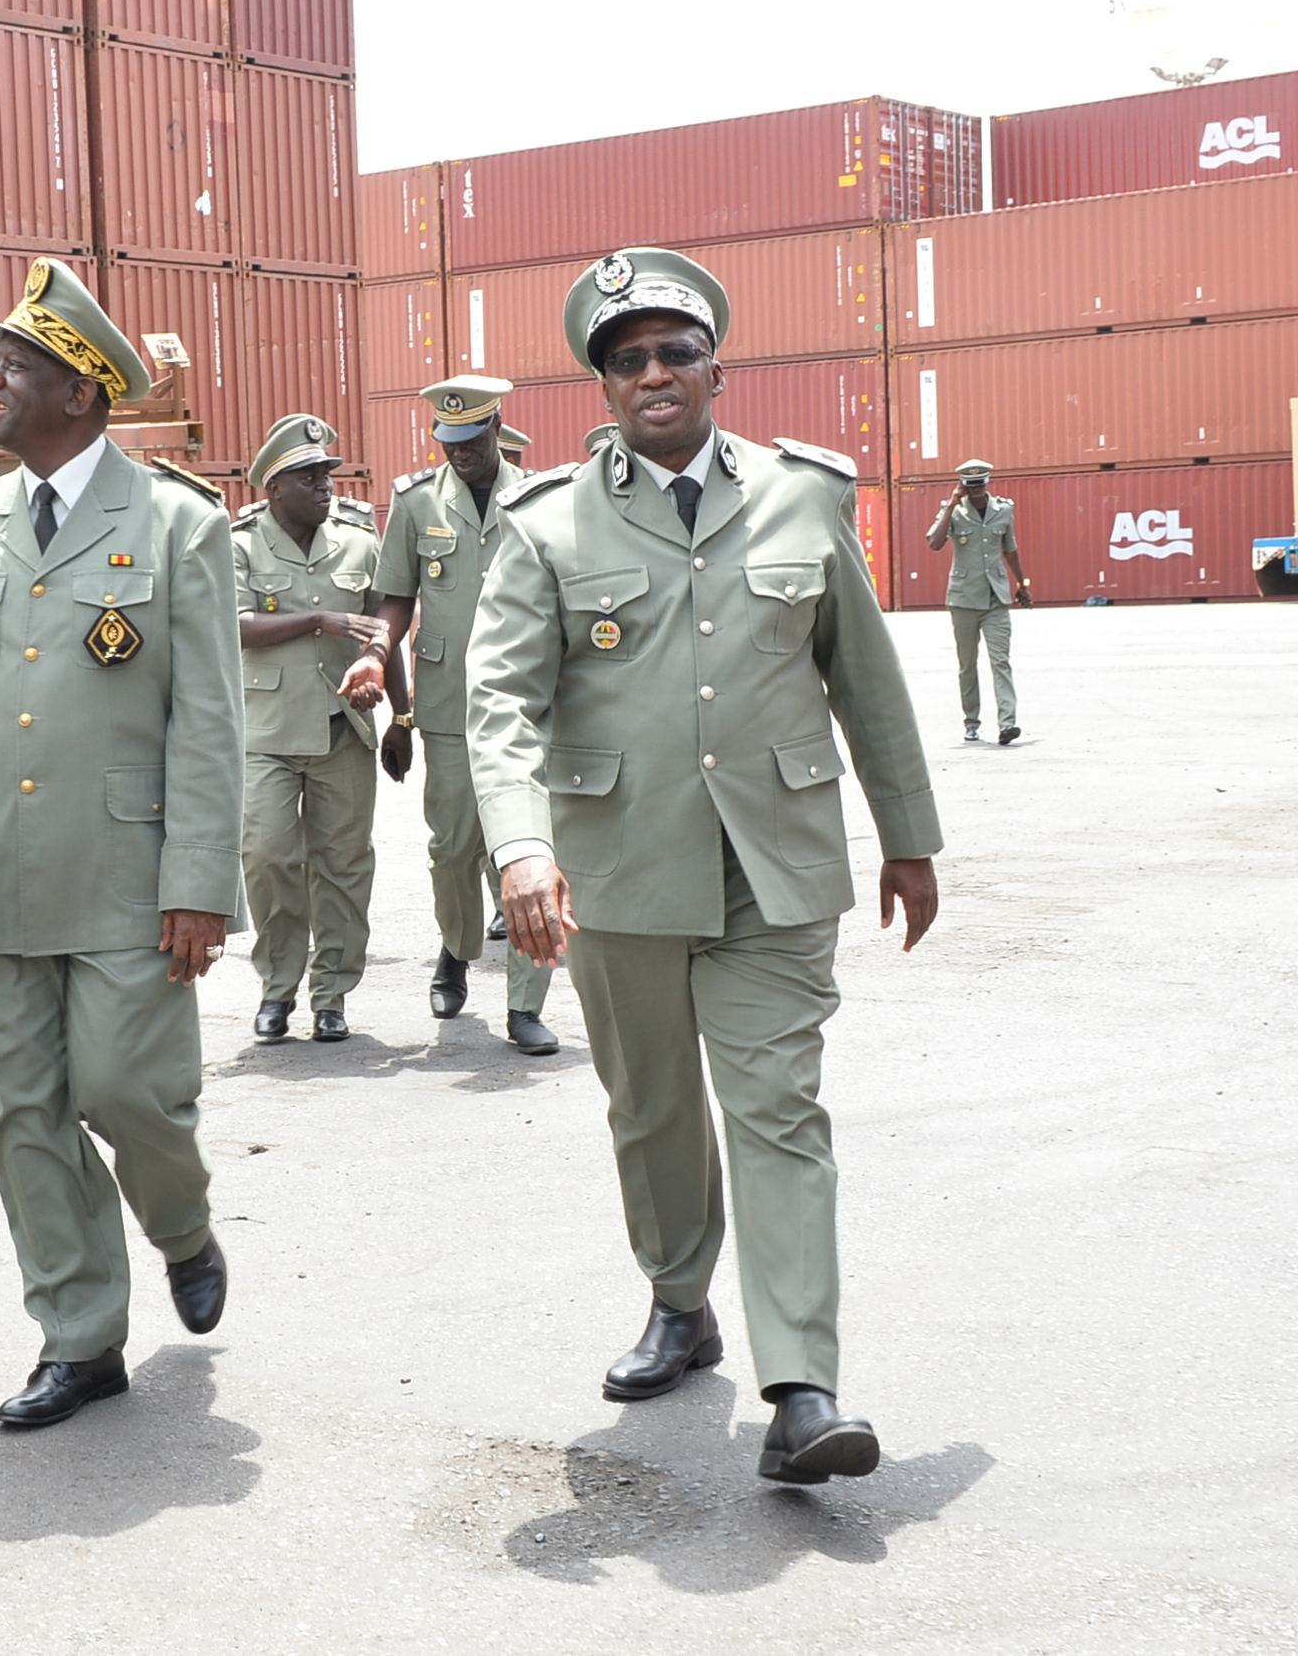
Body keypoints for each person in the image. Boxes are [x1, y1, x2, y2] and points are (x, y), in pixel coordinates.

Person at [467, 247, 943, 1485]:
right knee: (654, 1106)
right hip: (617, 866)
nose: (656, 372)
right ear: (604, 387)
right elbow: (501, 704)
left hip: (775, 865)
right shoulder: (546, 524)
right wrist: (521, 847)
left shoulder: (803, 495)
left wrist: (910, 836)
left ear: (715, 363)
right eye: (628, 359)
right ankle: (680, 1300)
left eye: (676, 350)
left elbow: (864, 679)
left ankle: (803, 1386)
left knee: (779, 1108)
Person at [0, 258, 243, 1428]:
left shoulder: (178, 524)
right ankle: (80, 1336)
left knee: (132, 1092)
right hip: (1, 871)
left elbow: (209, 722)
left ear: (79, 392)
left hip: (134, 875)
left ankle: (181, 1225)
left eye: (14, 366)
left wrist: (200, 881)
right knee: (26, 1114)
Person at [374, 376, 560, 1055]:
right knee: (452, 851)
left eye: (470, 440)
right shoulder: (418, 502)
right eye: (446, 443)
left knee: (531, 849)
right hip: (448, 706)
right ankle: (456, 948)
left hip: (529, 704)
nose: (459, 454)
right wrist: (380, 666)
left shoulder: (540, 499)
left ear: (494, 428)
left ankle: (524, 1005)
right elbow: (394, 595)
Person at [232, 413, 400, 1043]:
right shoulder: (242, 544)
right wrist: (319, 621)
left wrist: (399, 715)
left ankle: (332, 994)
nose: (324, 486)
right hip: (266, 733)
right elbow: (233, 623)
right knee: (269, 857)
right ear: (273, 488)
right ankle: (278, 988)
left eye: (327, 474)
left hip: (343, 728)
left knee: (345, 866)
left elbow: (385, 632)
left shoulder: (358, 540)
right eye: (307, 477)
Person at [927, 459, 1032, 745]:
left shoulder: (1003, 510)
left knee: (1001, 661)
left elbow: (1010, 551)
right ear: (962, 485)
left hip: (996, 598)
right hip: (963, 600)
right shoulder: (954, 512)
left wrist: (1022, 585)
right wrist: (950, 505)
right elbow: (935, 543)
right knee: (967, 664)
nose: (974, 491)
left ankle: (1007, 724)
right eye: (969, 486)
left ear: (987, 483)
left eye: (979, 485)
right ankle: (971, 722)